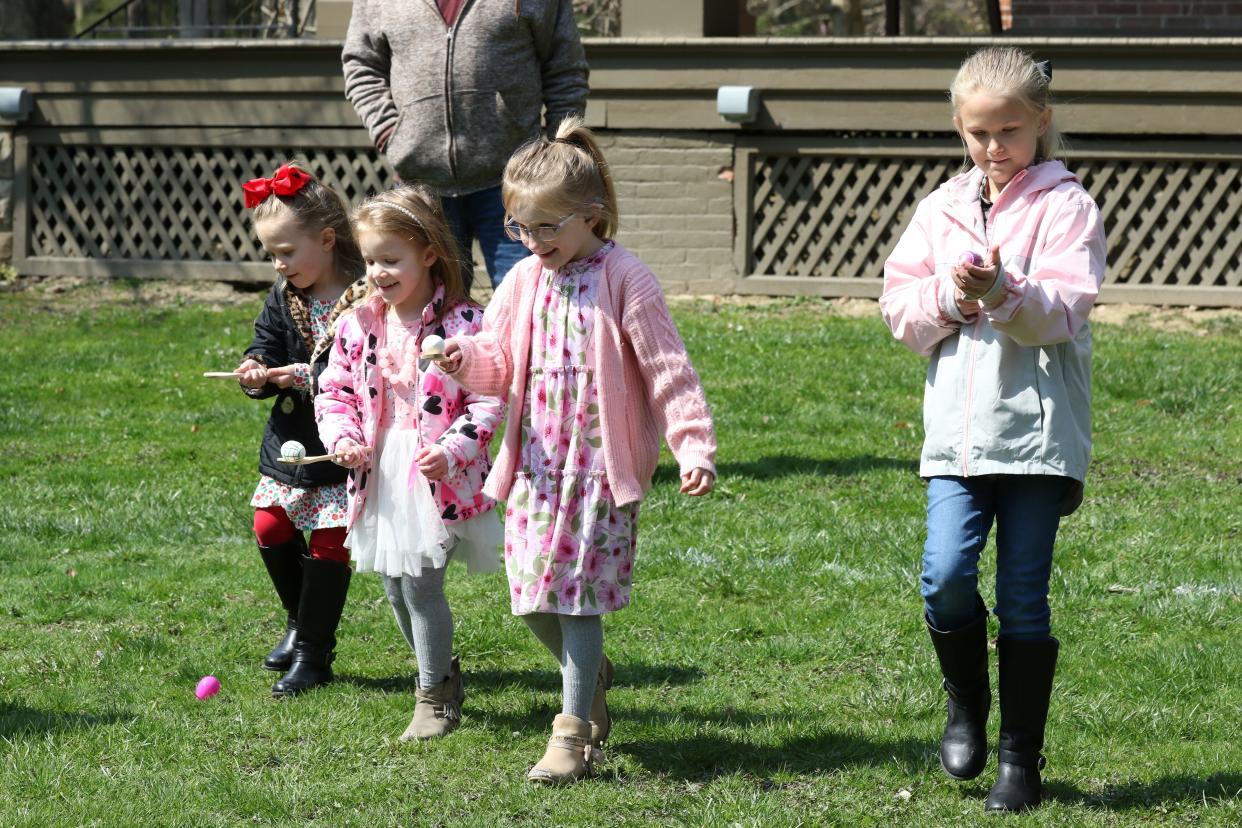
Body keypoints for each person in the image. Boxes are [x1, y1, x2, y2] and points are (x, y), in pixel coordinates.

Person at [435, 116, 718, 784]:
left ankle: (572, 739)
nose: (531, 242)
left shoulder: (627, 278)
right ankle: (584, 672)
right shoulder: (524, 281)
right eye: (519, 228)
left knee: (576, 599)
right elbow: (497, 359)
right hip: (534, 469)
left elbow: (667, 370)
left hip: (597, 474)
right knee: (530, 598)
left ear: (592, 217)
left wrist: (693, 445)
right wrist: (462, 358)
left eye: (545, 228)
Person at [879, 47, 1106, 813]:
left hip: (1039, 444)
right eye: (978, 133)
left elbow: (1062, 313)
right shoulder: (940, 207)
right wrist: (951, 296)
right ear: (959, 128)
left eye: (1010, 130)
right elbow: (900, 315)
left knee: (1023, 598)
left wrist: (1004, 289)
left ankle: (1020, 758)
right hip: (957, 442)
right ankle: (966, 706)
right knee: (944, 579)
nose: (994, 147)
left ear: (1042, 124)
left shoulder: (1067, 206)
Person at [315, 185, 504, 740]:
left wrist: (454, 450)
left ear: (428, 253)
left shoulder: (464, 324)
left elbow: (489, 398)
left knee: (420, 586)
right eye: (370, 259)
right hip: (380, 472)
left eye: (390, 259)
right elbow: (335, 391)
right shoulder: (359, 324)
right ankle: (441, 673)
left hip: (434, 472)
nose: (377, 272)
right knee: (395, 588)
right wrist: (345, 437)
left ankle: (434, 699)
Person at [341, 0, 589, 292]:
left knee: (530, 302)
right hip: (421, 188)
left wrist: (557, 152)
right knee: (427, 316)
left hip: (515, 185)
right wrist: (389, 131)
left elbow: (565, 69)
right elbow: (361, 63)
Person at [235, 162, 367, 697]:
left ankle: (315, 653)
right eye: (271, 253)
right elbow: (264, 344)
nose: (278, 263)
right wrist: (256, 372)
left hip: (344, 442)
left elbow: (374, 366)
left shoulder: (366, 295)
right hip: (291, 441)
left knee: (332, 542)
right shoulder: (282, 296)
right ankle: (299, 622)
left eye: (286, 252)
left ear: (328, 240)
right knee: (270, 526)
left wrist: (313, 374)